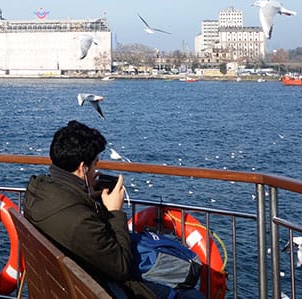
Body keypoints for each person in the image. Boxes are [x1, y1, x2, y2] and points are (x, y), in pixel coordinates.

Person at [23, 120, 204, 299]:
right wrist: (115, 211)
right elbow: (121, 267)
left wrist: (88, 197)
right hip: (99, 288)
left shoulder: (38, 192)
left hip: (63, 285)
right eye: (95, 164)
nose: (97, 170)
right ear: (82, 168)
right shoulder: (78, 220)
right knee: (190, 295)